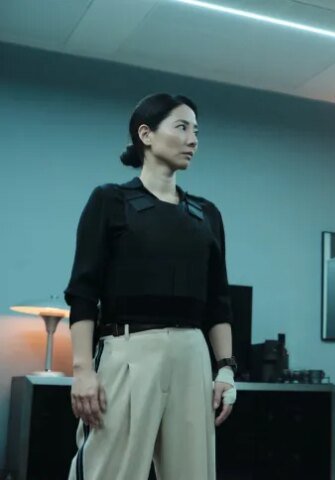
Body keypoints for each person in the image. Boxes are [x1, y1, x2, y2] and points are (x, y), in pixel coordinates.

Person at [65, 93, 236, 480]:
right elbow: (83, 293)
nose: (193, 139)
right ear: (146, 134)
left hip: (192, 356)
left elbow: (219, 302)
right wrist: (82, 371)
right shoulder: (110, 201)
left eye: (196, 131)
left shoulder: (207, 214)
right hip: (128, 352)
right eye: (182, 127)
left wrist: (225, 370)